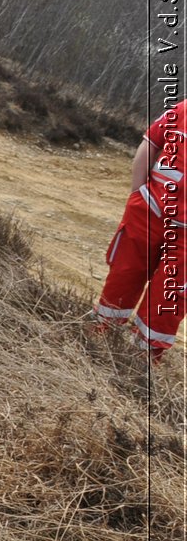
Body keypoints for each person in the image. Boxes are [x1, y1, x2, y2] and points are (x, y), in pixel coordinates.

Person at [90, 104, 185, 363]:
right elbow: (150, 144)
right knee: (125, 272)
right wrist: (138, 192)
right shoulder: (182, 110)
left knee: (171, 294)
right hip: (149, 212)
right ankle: (100, 333)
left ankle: (142, 357)